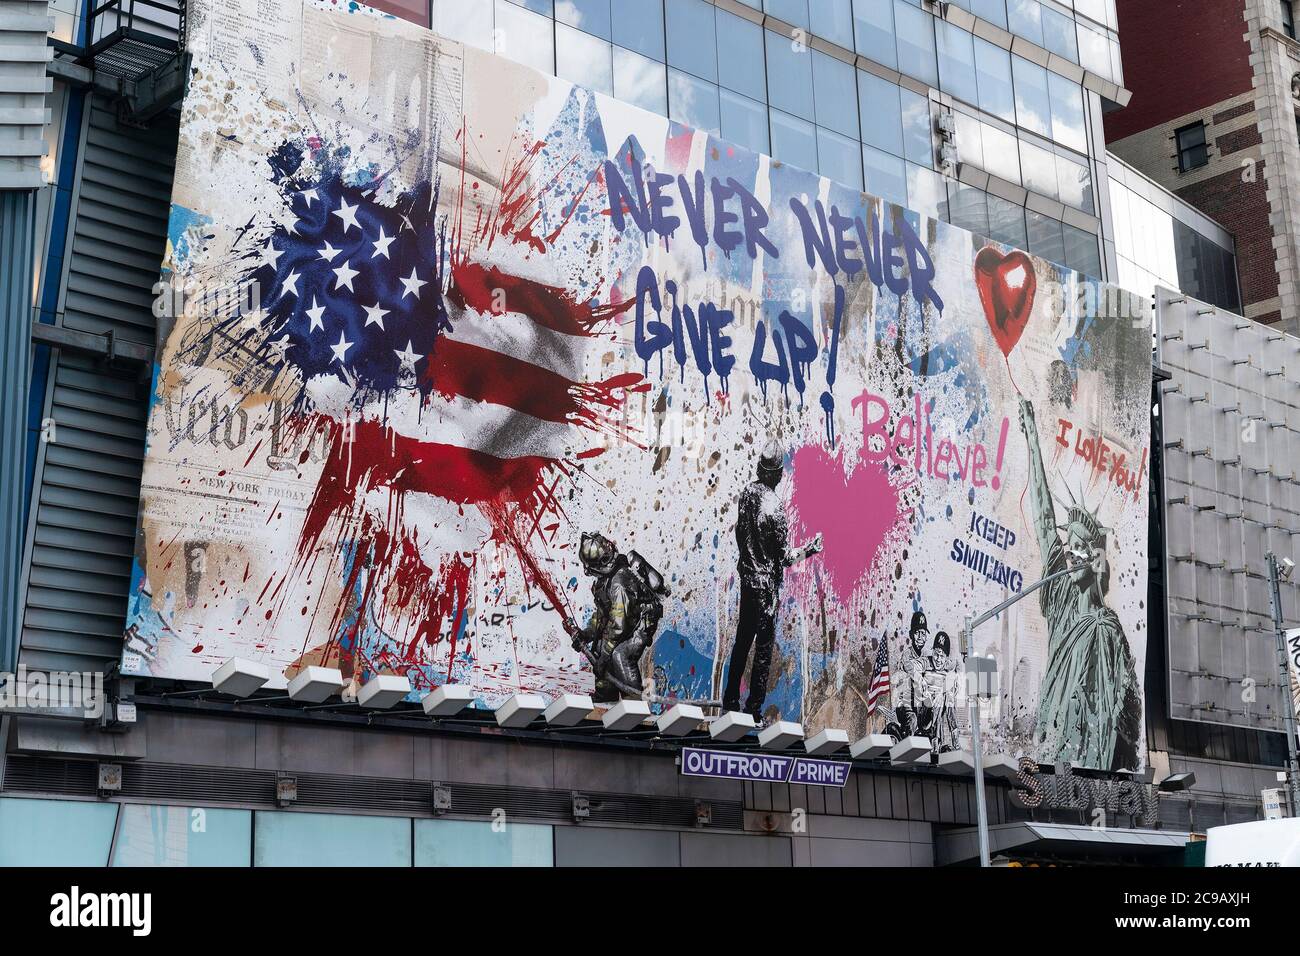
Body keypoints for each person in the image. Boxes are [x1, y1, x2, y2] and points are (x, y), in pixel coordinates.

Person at [1018, 396, 1141, 771]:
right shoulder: (1061, 601)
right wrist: (1032, 440)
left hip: (1093, 763)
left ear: (1097, 558)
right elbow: (1042, 518)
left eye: (1079, 548)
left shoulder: (1109, 630)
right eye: (1067, 548)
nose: (1070, 556)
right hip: (1054, 748)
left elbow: (1125, 708)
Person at [722, 440, 821, 717]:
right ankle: (753, 709)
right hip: (766, 589)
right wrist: (811, 549)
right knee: (763, 649)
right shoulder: (775, 508)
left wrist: (749, 562)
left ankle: (730, 700)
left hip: (748, 580)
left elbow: (740, 534)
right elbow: (785, 557)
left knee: (742, 641)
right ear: (777, 474)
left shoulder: (747, 494)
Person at [564, 532, 667, 702]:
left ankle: (634, 703)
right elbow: (602, 616)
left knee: (620, 654)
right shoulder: (603, 582)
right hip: (627, 620)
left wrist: (604, 657)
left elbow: (619, 625)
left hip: (641, 623)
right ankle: (605, 697)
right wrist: (587, 634)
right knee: (600, 646)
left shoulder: (618, 583)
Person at [893, 610, 935, 740]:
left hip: (921, 704)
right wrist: (920, 679)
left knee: (931, 723)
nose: (921, 637)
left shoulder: (927, 656)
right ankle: (905, 749)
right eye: (917, 633)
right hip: (905, 705)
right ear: (911, 635)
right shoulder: (907, 655)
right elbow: (909, 667)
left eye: (923, 633)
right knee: (912, 721)